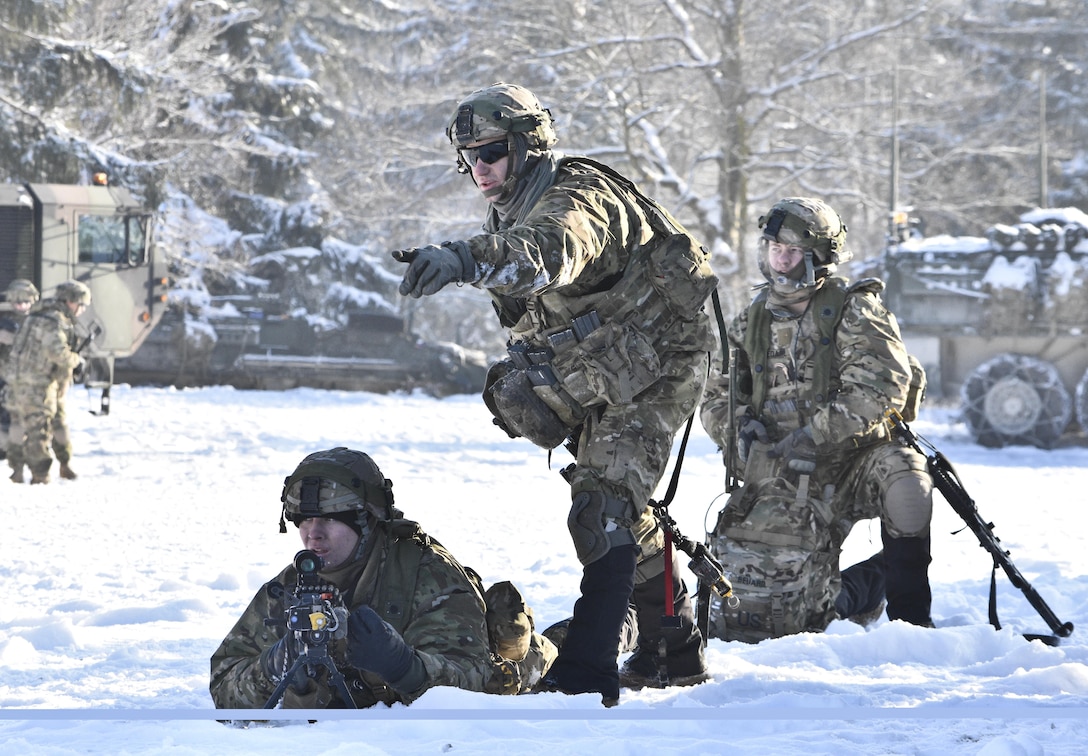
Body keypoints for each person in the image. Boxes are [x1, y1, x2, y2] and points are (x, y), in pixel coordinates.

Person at [391, 82, 719, 704]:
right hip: (607, 358)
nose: (478, 169)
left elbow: (549, 253)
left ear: (527, 144)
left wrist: (464, 259)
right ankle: (671, 648)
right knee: (608, 492)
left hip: (663, 358)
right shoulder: (510, 208)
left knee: (603, 503)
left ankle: (588, 670)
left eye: (488, 152)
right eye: (468, 160)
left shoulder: (579, 198)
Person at [698, 197, 934, 643]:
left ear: (819, 258)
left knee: (908, 483)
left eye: (793, 252)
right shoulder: (751, 320)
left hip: (854, 460)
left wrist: (816, 433)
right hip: (782, 464)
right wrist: (739, 430)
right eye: (774, 248)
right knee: (775, 613)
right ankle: (858, 593)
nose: (781, 260)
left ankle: (911, 624)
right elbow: (714, 392)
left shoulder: (854, 310)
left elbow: (882, 390)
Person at [210, 447, 559, 709]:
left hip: (502, 663)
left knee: (525, 656)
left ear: (365, 520)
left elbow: (473, 680)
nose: (312, 534)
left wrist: (404, 666)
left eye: (330, 519)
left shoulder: (427, 575)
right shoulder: (290, 587)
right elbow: (224, 684)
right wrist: (275, 665)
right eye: (302, 519)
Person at [2, 279, 90, 484]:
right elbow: (56, 352)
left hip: (18, 382)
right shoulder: (53, 321)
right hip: (36, 385)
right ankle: (40, 475)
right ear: (70, 301)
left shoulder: (37, 315)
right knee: (39, 429)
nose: (82, 310)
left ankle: (18, 469)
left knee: (22, 424)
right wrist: (77, 361)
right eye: (81, 304)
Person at [0, 279, 40, 461]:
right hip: (6, 377)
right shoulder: (4, 321)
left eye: (26, 302)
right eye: (18, 302)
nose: (22, 306)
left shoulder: (38, 320)